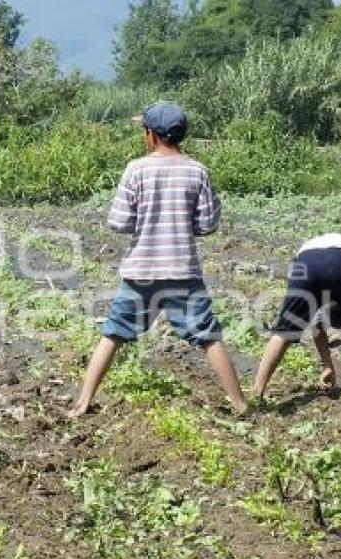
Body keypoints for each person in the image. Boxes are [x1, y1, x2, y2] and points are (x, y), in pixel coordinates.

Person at [68, 102, 247, 417]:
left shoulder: (136, 169)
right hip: (183, 271)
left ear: (151, 135)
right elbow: (207, 225)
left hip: (142, 272)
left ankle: (83, 402)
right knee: (209, 336)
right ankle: (240, 404)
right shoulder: (197, 170)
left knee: (113, 334)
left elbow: (119, 222)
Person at [253, 233, 341, 399]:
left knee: (284, 331)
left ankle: (257, 391)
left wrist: (327, 366)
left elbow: (318, 324)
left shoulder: (324, 299)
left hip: (306, 261)